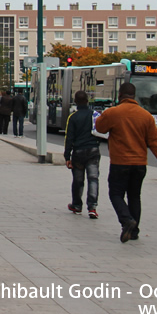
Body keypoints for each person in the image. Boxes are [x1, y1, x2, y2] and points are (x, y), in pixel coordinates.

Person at [93, 82, 157, 243]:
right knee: (135, 196)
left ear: (120, 95)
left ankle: (126, 220)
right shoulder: (146, 116)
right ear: (134, 96)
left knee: (115, 194)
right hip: (140, 164)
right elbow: (155, 141)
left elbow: (99, 128)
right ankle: (134, 231)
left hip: (120, 162)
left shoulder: (113, 113)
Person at [64, 90, 101, 219]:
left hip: (78, 152)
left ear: (76, 102)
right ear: (87, 101)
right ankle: (92, 207)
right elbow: (101, 131)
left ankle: (77, 205)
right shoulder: (95, 115)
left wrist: (67, 156)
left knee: (78, 180)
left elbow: (69, 137)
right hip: (93, 150)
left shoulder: (73, 117)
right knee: (93, 178)